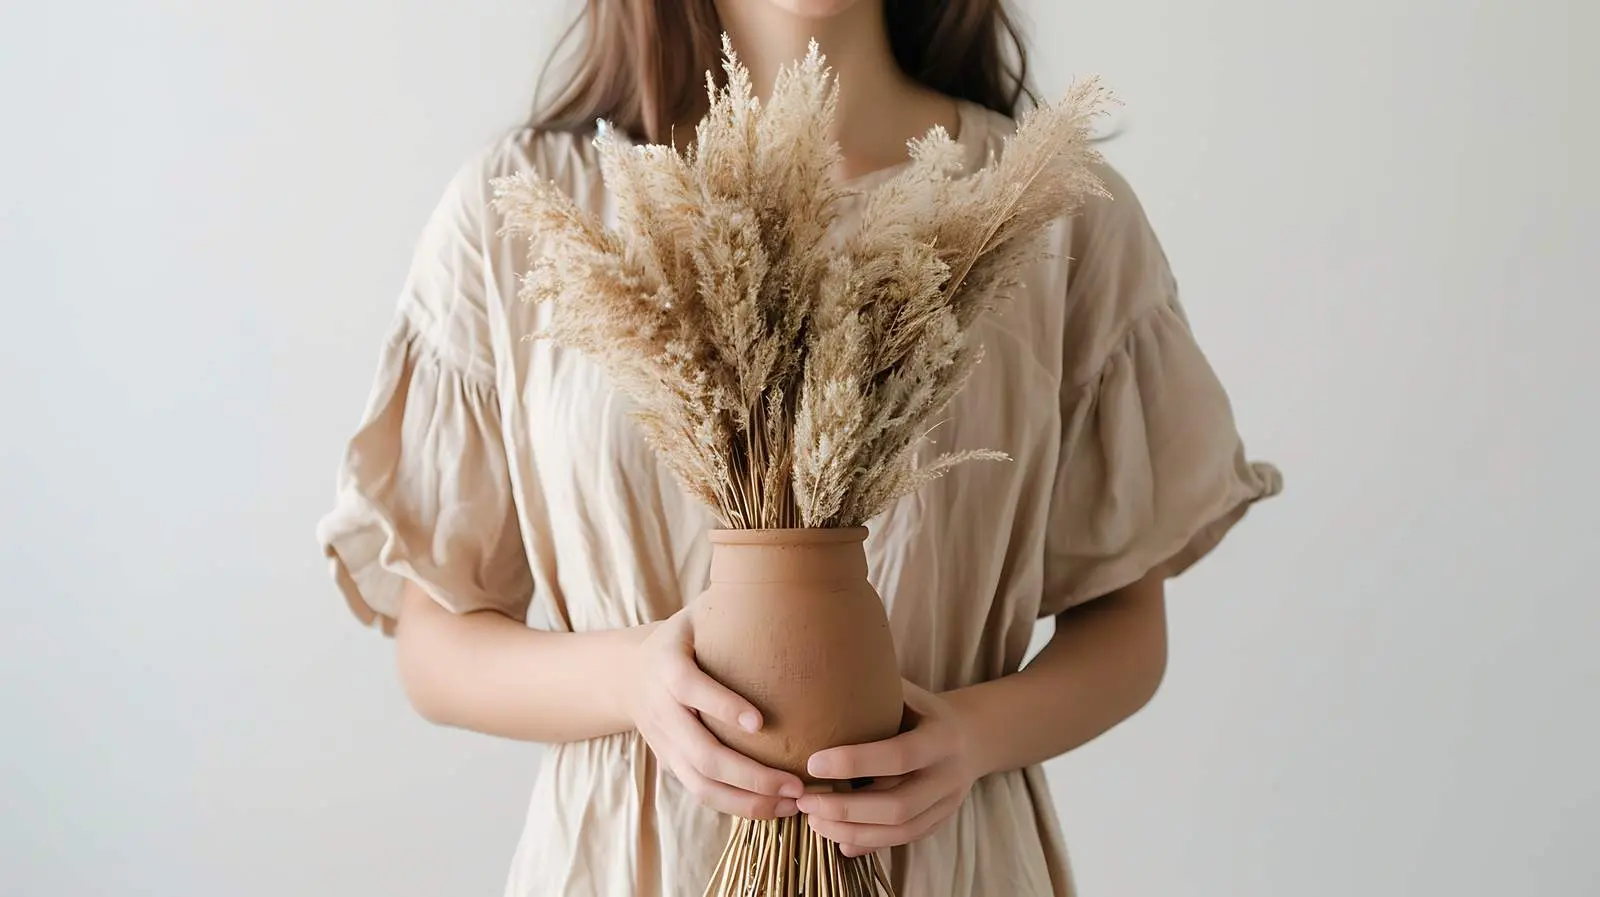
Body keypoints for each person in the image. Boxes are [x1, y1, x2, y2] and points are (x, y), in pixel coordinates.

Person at [314, 1, 1282, 894]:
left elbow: (1126, 630)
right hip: (630, 865)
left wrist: (971, 739)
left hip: (945, 862)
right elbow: (435, 646)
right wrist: (635, 682)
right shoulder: (518, 209)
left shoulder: (1048, 206)